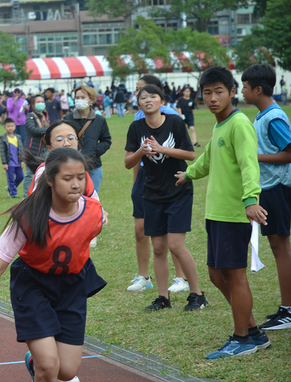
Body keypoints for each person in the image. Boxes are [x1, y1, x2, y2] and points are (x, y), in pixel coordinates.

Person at [0, 147, 106, 382]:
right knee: (48, 367)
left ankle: (34, 359)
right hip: (33, 285)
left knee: (66, 371)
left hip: (72, 287)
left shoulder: (94, 213)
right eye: (67, 178)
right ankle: (41, 362)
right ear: (50, 180)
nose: (75, 184)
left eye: (80, 177)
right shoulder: (28, 215)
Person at [175, 66, 271, 358]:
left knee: (234, 276)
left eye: (219, 91)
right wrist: (189, 173)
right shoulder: (220, 125)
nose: (213, 98)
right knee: (216, 274)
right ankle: (252, 330)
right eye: (207, 92)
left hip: (233, 213)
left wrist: (251, 199)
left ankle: (242, 338)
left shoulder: (239, 124)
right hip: (215, 214)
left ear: (232, 92)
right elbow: (208, 158)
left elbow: (249, 164)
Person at [125, 84, 207, 311]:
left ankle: (197, 294)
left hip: (178, 190)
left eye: (153, 96)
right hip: (151, 193)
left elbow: (190, 154)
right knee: (159, 247)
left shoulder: (174, 123)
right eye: (143, 97)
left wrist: (161, 149)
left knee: (176, 245)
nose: (148, 100)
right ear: (139, 104)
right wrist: (141, 151)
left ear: (162, 101)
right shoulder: (136, 127)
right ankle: (163, 298)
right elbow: (127, 162)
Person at [241, 63, 291, 330]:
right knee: (277, 246)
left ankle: (289, 310)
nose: (242, 91)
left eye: (244, 87)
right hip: (268, 188)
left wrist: (253, 157)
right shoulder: (262, 115)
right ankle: (286, 308)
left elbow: (289, 152)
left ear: (258, 89)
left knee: (281, 247)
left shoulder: (273, 117)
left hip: (278, 188)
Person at [128, 75, 188, 293]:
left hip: (169, 179)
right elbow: (136, 155)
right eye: (138, 93)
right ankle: (144, 276)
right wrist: (136, 182)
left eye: (147, 92)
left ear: (159, 96)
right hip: (146, 179)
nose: (143, 97)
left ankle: (181, 278)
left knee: (171, 235)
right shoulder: (137, 119)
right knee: (141, 230)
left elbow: (186, 152)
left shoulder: (170, 116)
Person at [64, 86, 111, 193]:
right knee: (74, 199)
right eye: (77, 97)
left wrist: (95, 151)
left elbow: (106, 140)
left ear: (91, 100)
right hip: (72, 166)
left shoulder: (99, 120)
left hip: (93, 166)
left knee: (92, 200)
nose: (79, 100)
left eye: (83, 97)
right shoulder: (68, 119)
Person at [23, 94, 50, 198]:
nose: (41, 104)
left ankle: (40, 195)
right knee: (30, 174)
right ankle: (26, 197)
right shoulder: (30, 116)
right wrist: (48, 129)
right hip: (32, 149)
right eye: (38, 102)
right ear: (33, 105)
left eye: (42, 101)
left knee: (45, 172)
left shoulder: (45, 116)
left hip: (45, 149)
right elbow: (33, 129)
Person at [0, 118, 25, 199]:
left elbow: (21, 149)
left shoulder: (18, 137)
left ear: (15, 127)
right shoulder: (3, 138)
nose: (10, 128)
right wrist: (4, 163)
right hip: (9, 162)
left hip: (17, 161)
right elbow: (2, 151)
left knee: (21, 176)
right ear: (4, 127)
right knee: (10, 178)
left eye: (12, 126)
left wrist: (22, 161)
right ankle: (13, 193)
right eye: (8, 126)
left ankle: (10, 188)